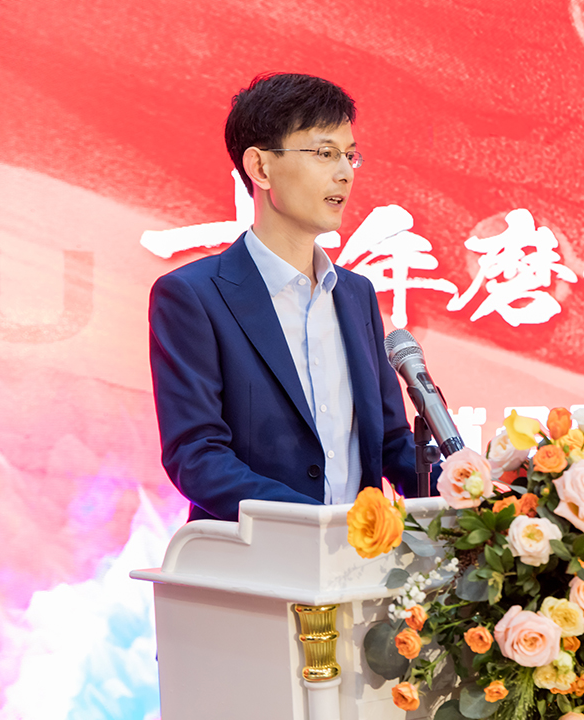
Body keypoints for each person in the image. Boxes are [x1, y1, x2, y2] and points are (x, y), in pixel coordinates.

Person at [149, 73, 422, 522]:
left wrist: (475, 490)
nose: (345, 173)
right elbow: (196, 457)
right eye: (325, 153)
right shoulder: (192, 296)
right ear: (260, 168)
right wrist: (318, 525)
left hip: (359, 557)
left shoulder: (356, 294)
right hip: (255, 558)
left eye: (350, 155)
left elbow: (391, 443)